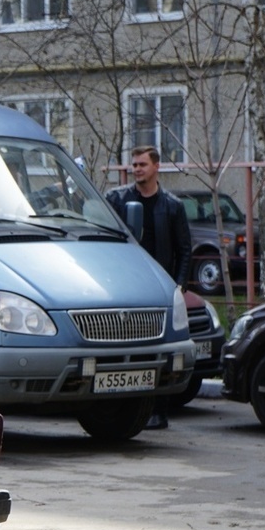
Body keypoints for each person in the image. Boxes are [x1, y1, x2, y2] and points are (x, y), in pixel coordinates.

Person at [105, 145, 192, 430]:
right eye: (135, 164)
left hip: (160, 287)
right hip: (126, 286)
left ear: (156, 166)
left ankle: (159, 411)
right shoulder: (118, 200)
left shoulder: (172, 205)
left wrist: (179, 286)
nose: (137, 169)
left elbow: (184, 249)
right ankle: (122, 409)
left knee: (162, 350)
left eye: (142, 164)